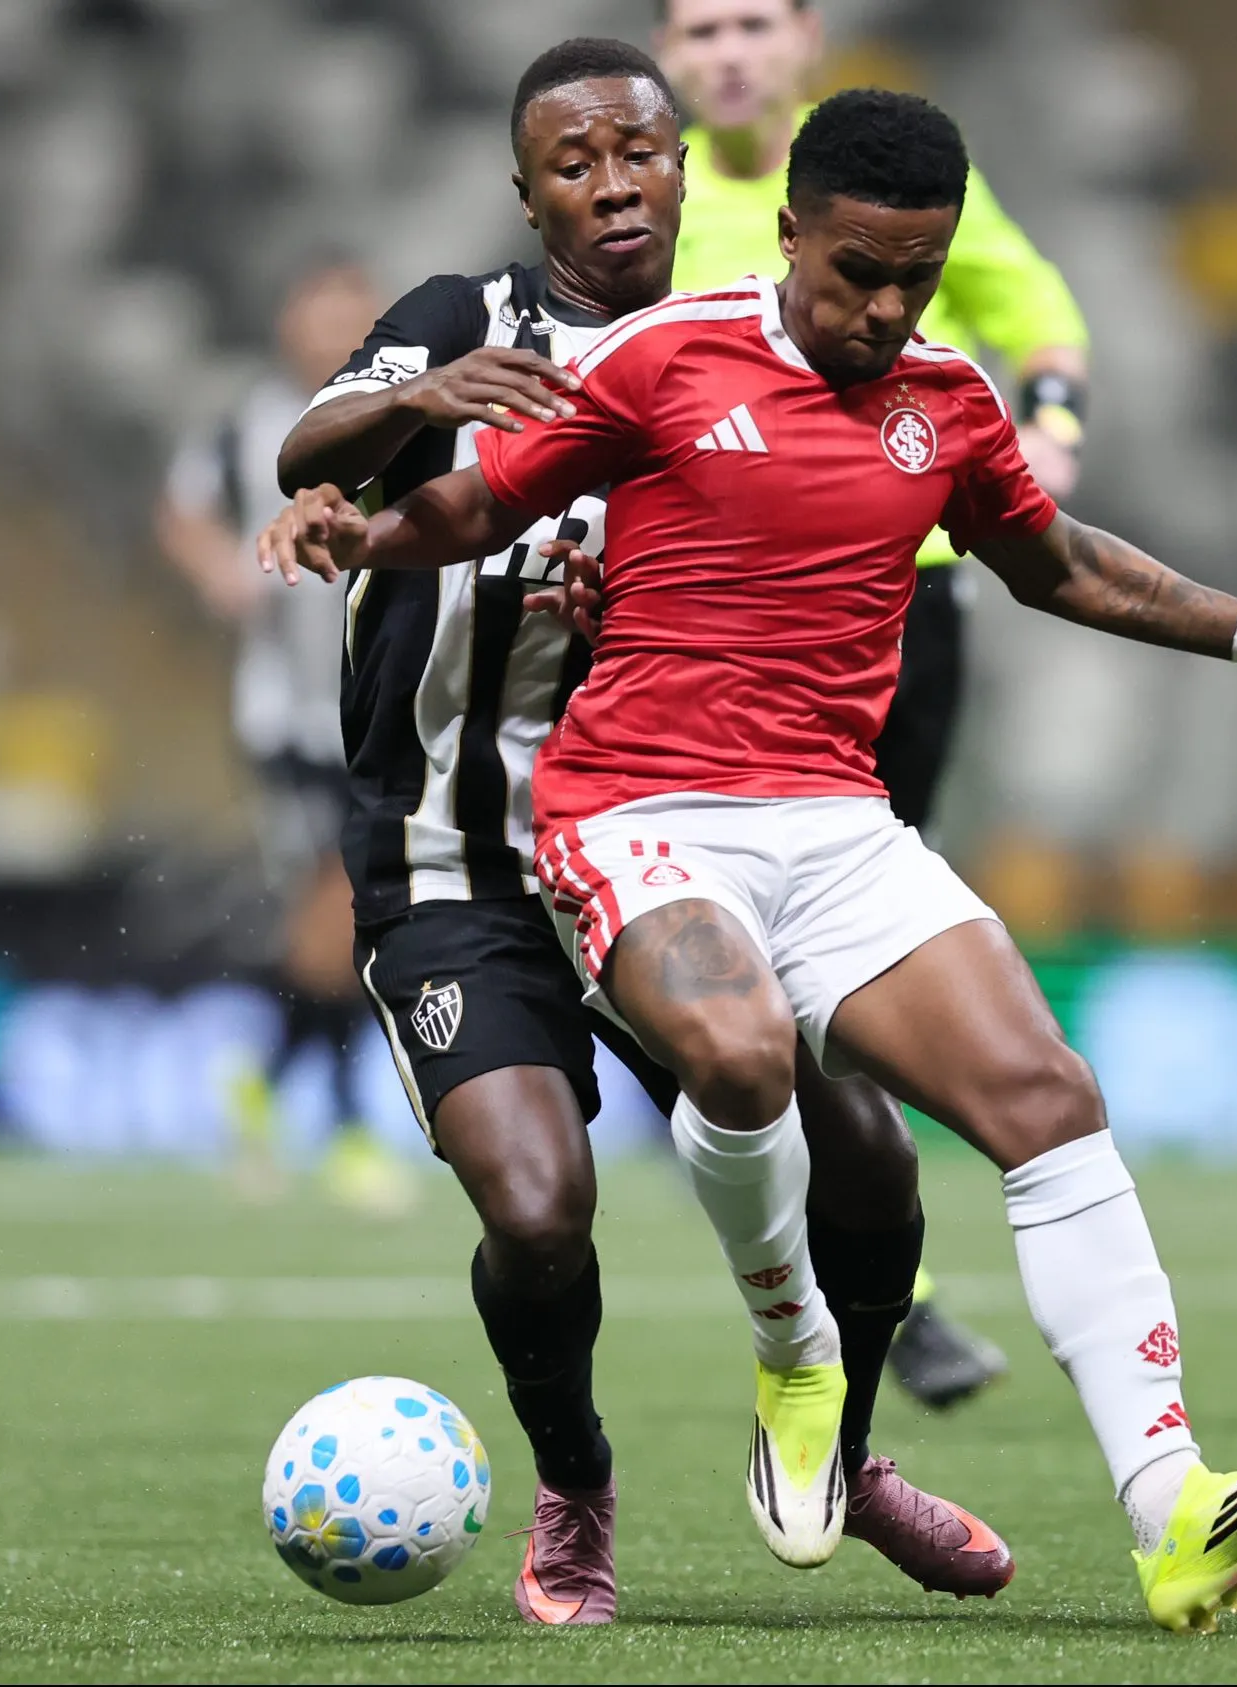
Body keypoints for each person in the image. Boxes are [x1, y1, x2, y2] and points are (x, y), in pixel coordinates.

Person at [264, 88, 1237, 1635]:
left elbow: (1061, 562)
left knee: (1044, 1099)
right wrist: (361, 535)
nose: (886, 308)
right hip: (635, 808)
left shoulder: (947, 397)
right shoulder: (659, 356)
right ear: (787, 237)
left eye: (916, 276)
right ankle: (794, 1366)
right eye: (857, 275)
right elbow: (478, 495)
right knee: (728, 1062)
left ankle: (1174, 1509)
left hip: (834, 822)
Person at [268, 40, 1010, 1626]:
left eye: (640, 156)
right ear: (526, 189)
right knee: (539, 1208)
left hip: (671, 834)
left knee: (867, 1155)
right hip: (459, 853)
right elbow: (304, 460)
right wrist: (418, 396)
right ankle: (574, 1478)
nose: (614, 185)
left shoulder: (753, 342)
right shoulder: (467, 322)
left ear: (688, 171)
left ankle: (840, 1455)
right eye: (574, 162)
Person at [655, 0, 1092, 1410]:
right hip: (716, 630)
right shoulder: (648, 205)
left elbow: (1036, 310)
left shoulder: (887, 190)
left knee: (853, 944)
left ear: (805, 38)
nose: (726, 52)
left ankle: (864, 1253)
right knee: (754, 969)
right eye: (698, 26)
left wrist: (1054, 422)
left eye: (751, 23)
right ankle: (867, 1277)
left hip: (903, 609)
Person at [154, 255, 394, 1205]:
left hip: (381, 713)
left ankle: (266, 1084)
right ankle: (342, 1124)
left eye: (352, 314)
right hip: (292, 719)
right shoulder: (250, 426)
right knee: (341, 915)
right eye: (320, 313)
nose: (333, 331)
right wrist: (217, 567)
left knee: (350, 925)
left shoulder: (401, 417)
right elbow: (180, 507)